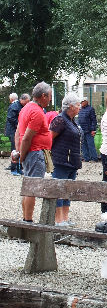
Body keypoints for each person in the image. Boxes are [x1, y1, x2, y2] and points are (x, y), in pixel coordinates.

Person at [15, 82, 52, 222]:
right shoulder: (36, 112)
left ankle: (26, 219)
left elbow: (18, 133)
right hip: (35, 153)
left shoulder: (26, 108)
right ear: (43, 96)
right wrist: (22, 156)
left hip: (30, 153)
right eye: (49, 96)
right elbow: (26, 138)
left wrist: (19, 152)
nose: (50, 100)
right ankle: (28, 221)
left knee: (28, 187)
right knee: (32, 188)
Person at [49, 93, 82, 226]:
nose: (80, 107)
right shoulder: (60, 120)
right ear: (71, 106)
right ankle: (58, 219)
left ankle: (65, 218)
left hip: (72, 162)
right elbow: (49, 138)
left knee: (68, 191)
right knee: (59, 189)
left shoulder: (72, 121)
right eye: (78, 105)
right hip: (61, 161)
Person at [5, 93, 30, 174]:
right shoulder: (14, 106)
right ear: (22, 100)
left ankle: (19, 167)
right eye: (26, 101)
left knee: (20, 148)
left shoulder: (22, 106)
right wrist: (21, 124)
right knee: (15, 149)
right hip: (13, 130)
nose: (27, 103)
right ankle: (13, 168)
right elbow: (10, 118)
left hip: (19, 130)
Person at [78, 97, 98, 162]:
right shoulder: (80, 109)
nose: (81, 103)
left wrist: (93, 129)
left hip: (89, 130)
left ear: (86, 101)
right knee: (83, 145)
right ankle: (86, 158)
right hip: (82, 130)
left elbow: (94, 120)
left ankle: (94, 158)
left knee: (91, 145)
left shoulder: (91, 109)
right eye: (81, 102)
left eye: (82, 102)